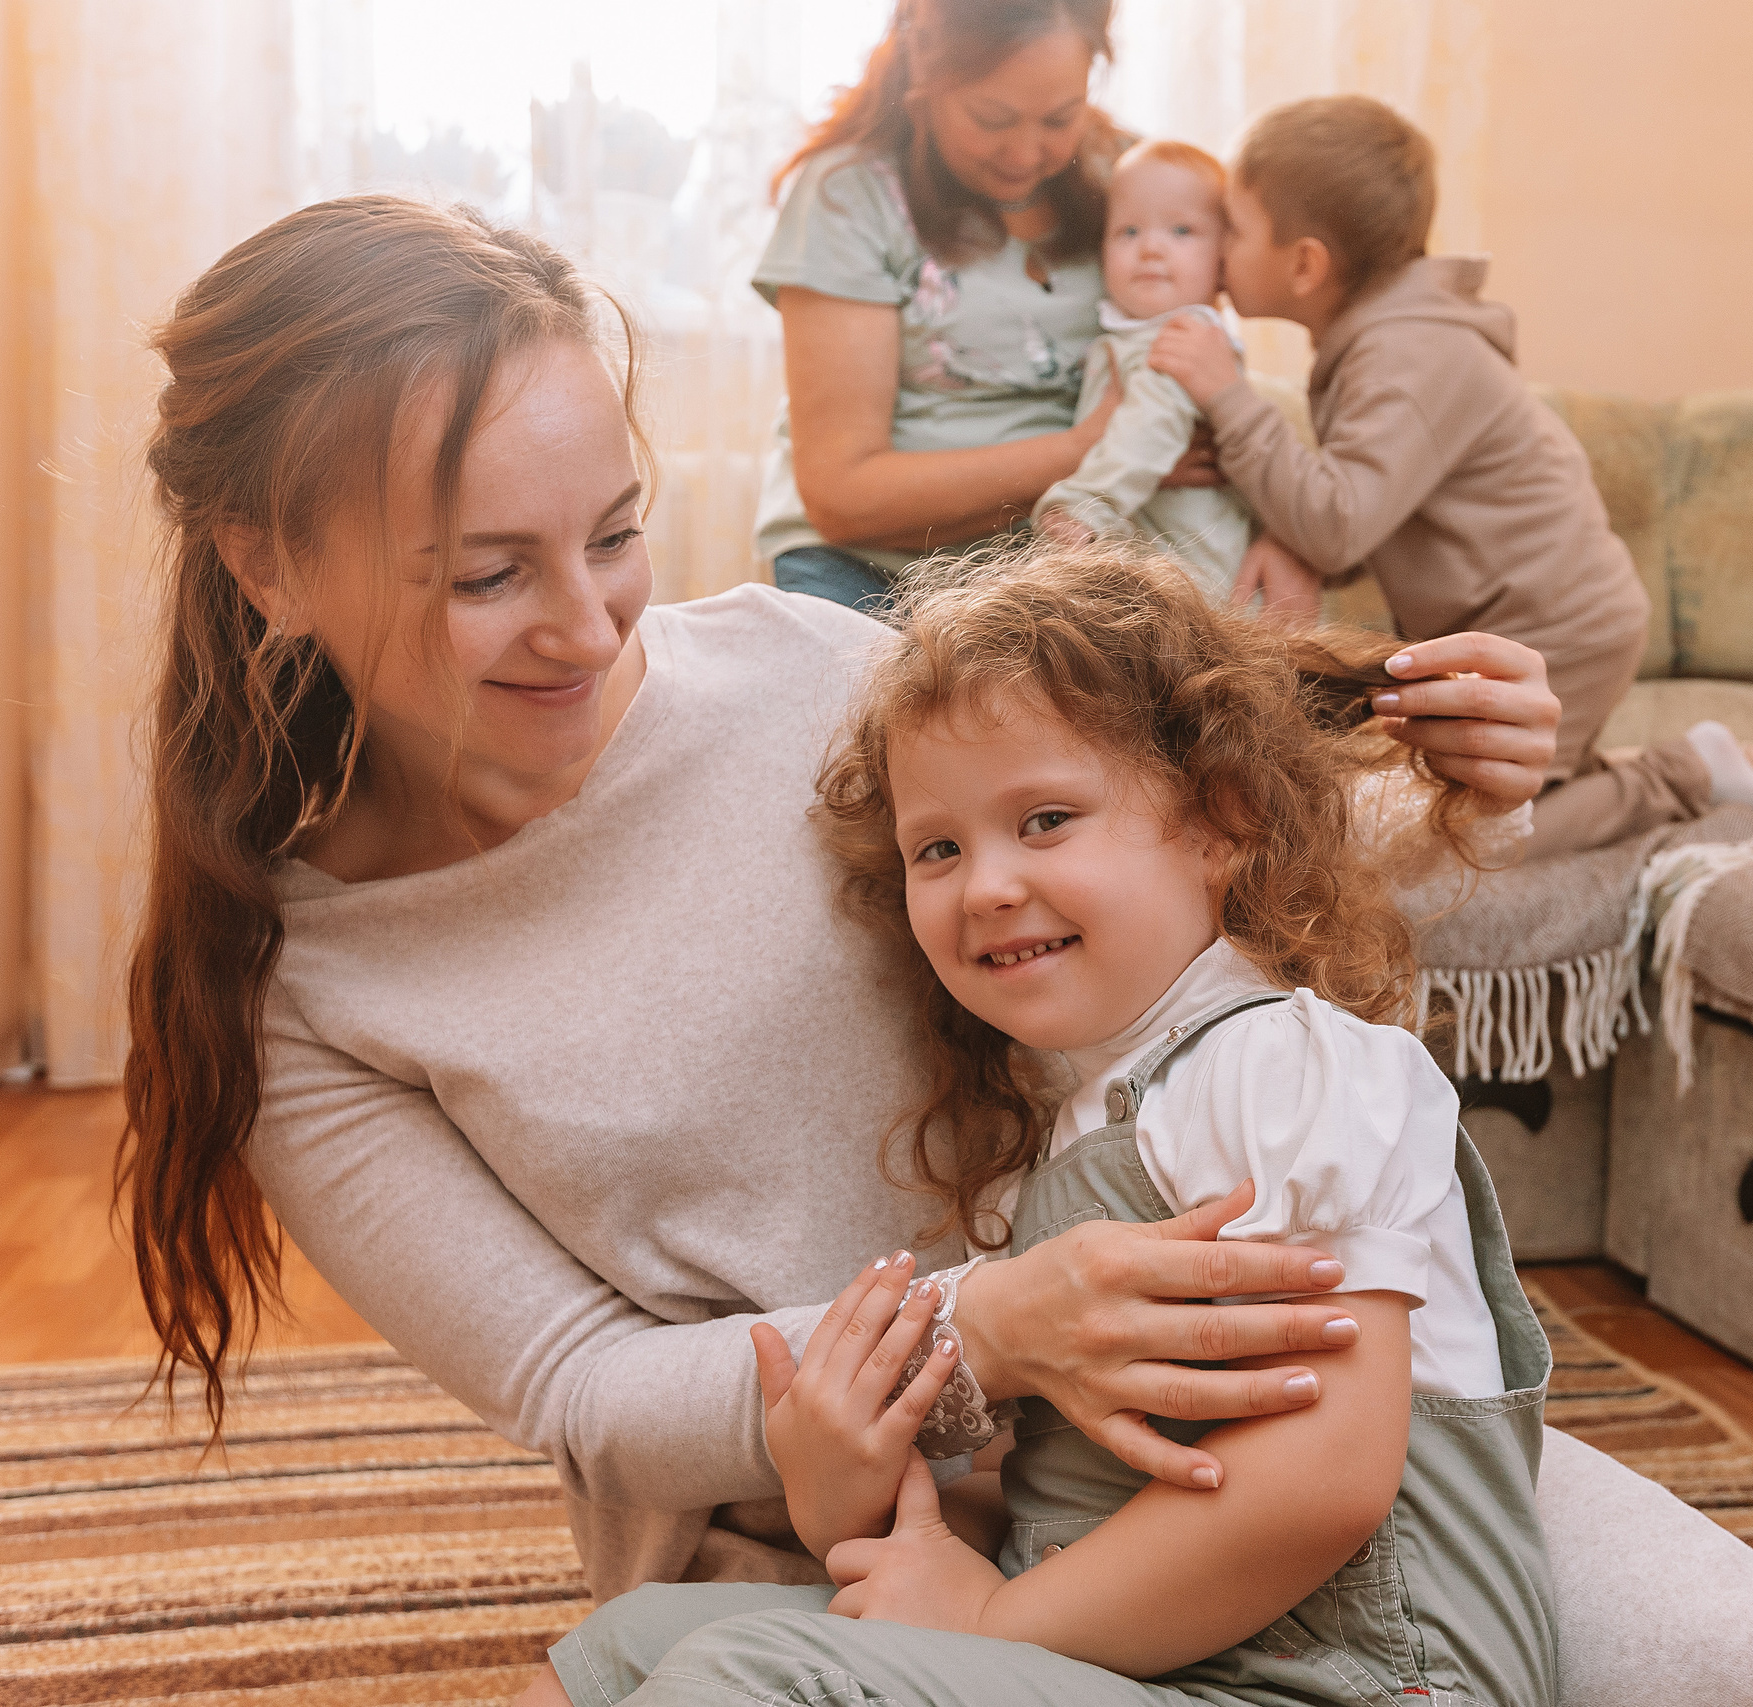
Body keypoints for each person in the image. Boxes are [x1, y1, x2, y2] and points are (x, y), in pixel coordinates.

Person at [114, 133, 1753, 1707]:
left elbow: (1115, 860)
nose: (589, 620)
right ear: (271, 563)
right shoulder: (310, 987)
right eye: (483, 575)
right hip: (844, 1551)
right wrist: (998, 1327)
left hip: (1235, 1434)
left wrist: (1453, 772)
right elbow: (578, 1388)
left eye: (615, 531)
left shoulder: (796, 664)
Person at [519, 546, 1554, 1706]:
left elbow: (1320, 1484)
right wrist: (843, 1489)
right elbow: (1002, 1515)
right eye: (938, 849)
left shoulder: (1284, 1067)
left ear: (1223, 821)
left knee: (752, 1675)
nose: (987, 885)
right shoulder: (1070, 1129)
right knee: (632, 1641)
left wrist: (992, 1619)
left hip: (1345, 1682)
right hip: (1148, 1659)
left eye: (1046, 819)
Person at [1150, 96, 1753, 853]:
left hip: (1555, 630)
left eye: (1234, 229)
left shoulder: (1408, 353)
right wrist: (1289, 532)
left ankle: (1692, 777)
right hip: (1519, 624)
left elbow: (1338, 523)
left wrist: (1227, 395)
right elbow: (1353, 514)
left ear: (1307, 263)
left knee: (1477, 835)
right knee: (1496, 792)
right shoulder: (1387, 340)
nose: (1215, 251)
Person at [753, 0, 1317, 620]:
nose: (1024, 154)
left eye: (1059, 118)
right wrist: (1091, 447)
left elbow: (1228, 354)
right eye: (991, 119)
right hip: (867, 563)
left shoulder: (1133, 176)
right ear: (923, 65)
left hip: (1066, 561)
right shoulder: (848, 195)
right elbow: (843, 497)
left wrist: (1288, 534)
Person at [1031, 143, 1254, 599]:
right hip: (1155, 565)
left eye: (1182, 230)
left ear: (1224, 261)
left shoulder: (1185, 336)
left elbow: (1152, 424)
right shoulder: (1134, 333)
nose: (1151, 248)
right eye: (1128, 231)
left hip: (1199, 574)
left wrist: (1083, 506)